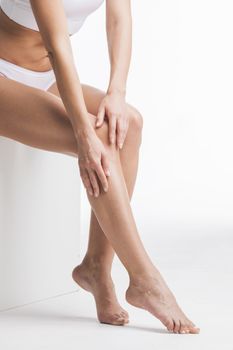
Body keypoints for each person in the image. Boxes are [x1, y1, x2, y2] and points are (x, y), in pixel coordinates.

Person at [0, 0, 200, 334]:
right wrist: (82, 132)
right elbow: (57, 44)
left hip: (44, 78)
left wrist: (116, 92)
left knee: (128, 125)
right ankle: (145, 279)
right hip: (5, 73)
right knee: (101, 140)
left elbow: (120, 18)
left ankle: (96, 266)